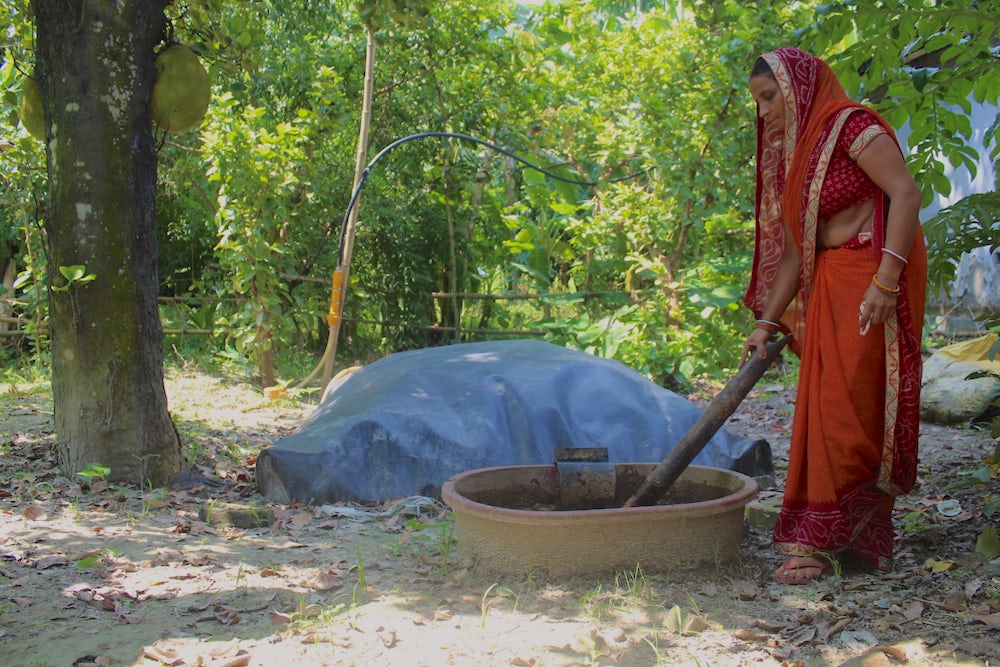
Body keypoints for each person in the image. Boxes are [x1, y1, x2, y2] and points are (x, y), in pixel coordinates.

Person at [741, 47, 927, 583]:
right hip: (828, 286)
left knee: (853, 410)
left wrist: (886, 281)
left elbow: (905, 193)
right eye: (758, 102)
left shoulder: (852, 126)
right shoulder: (801, 153)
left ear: (799, 87)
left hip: (870, 283)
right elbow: (798, 253)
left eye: (770, 97)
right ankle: (838, 540)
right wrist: (765, 323)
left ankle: (836, 541)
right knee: (823, 409)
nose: (765, 112)